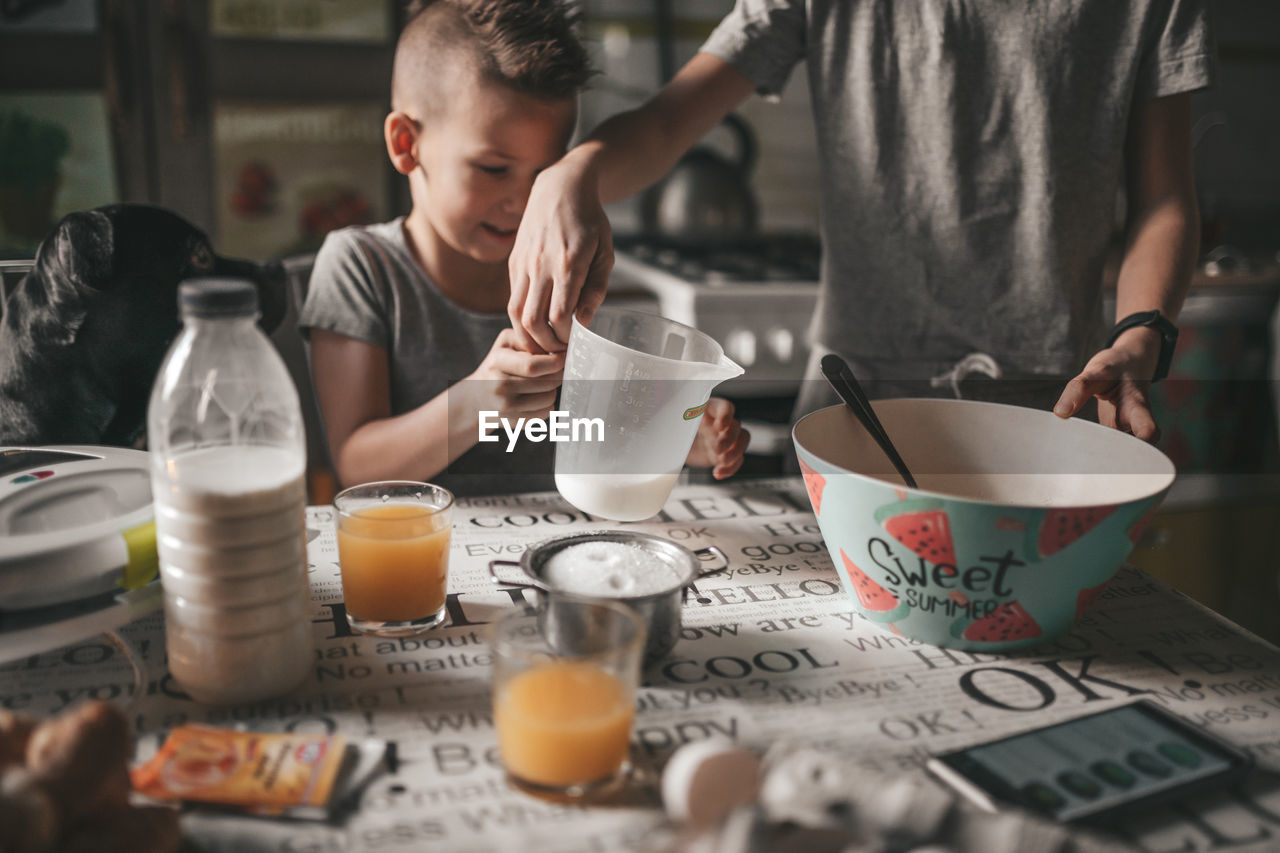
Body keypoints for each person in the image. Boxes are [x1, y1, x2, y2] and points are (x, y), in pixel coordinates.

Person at [507, 0, 1214, 443]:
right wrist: (573, 172)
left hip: (1049, 408)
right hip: (856, 401)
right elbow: (666, 122)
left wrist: (1141, 333)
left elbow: (1165, 200)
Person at [300, 0, 749, 496]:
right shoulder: (359, 268)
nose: (524, 201)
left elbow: (570, 431)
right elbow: (356, 467)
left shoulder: (560, 269)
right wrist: (477, 404)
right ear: (407, 143)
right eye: (493, 169)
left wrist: (670, 441)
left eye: (546, 174)